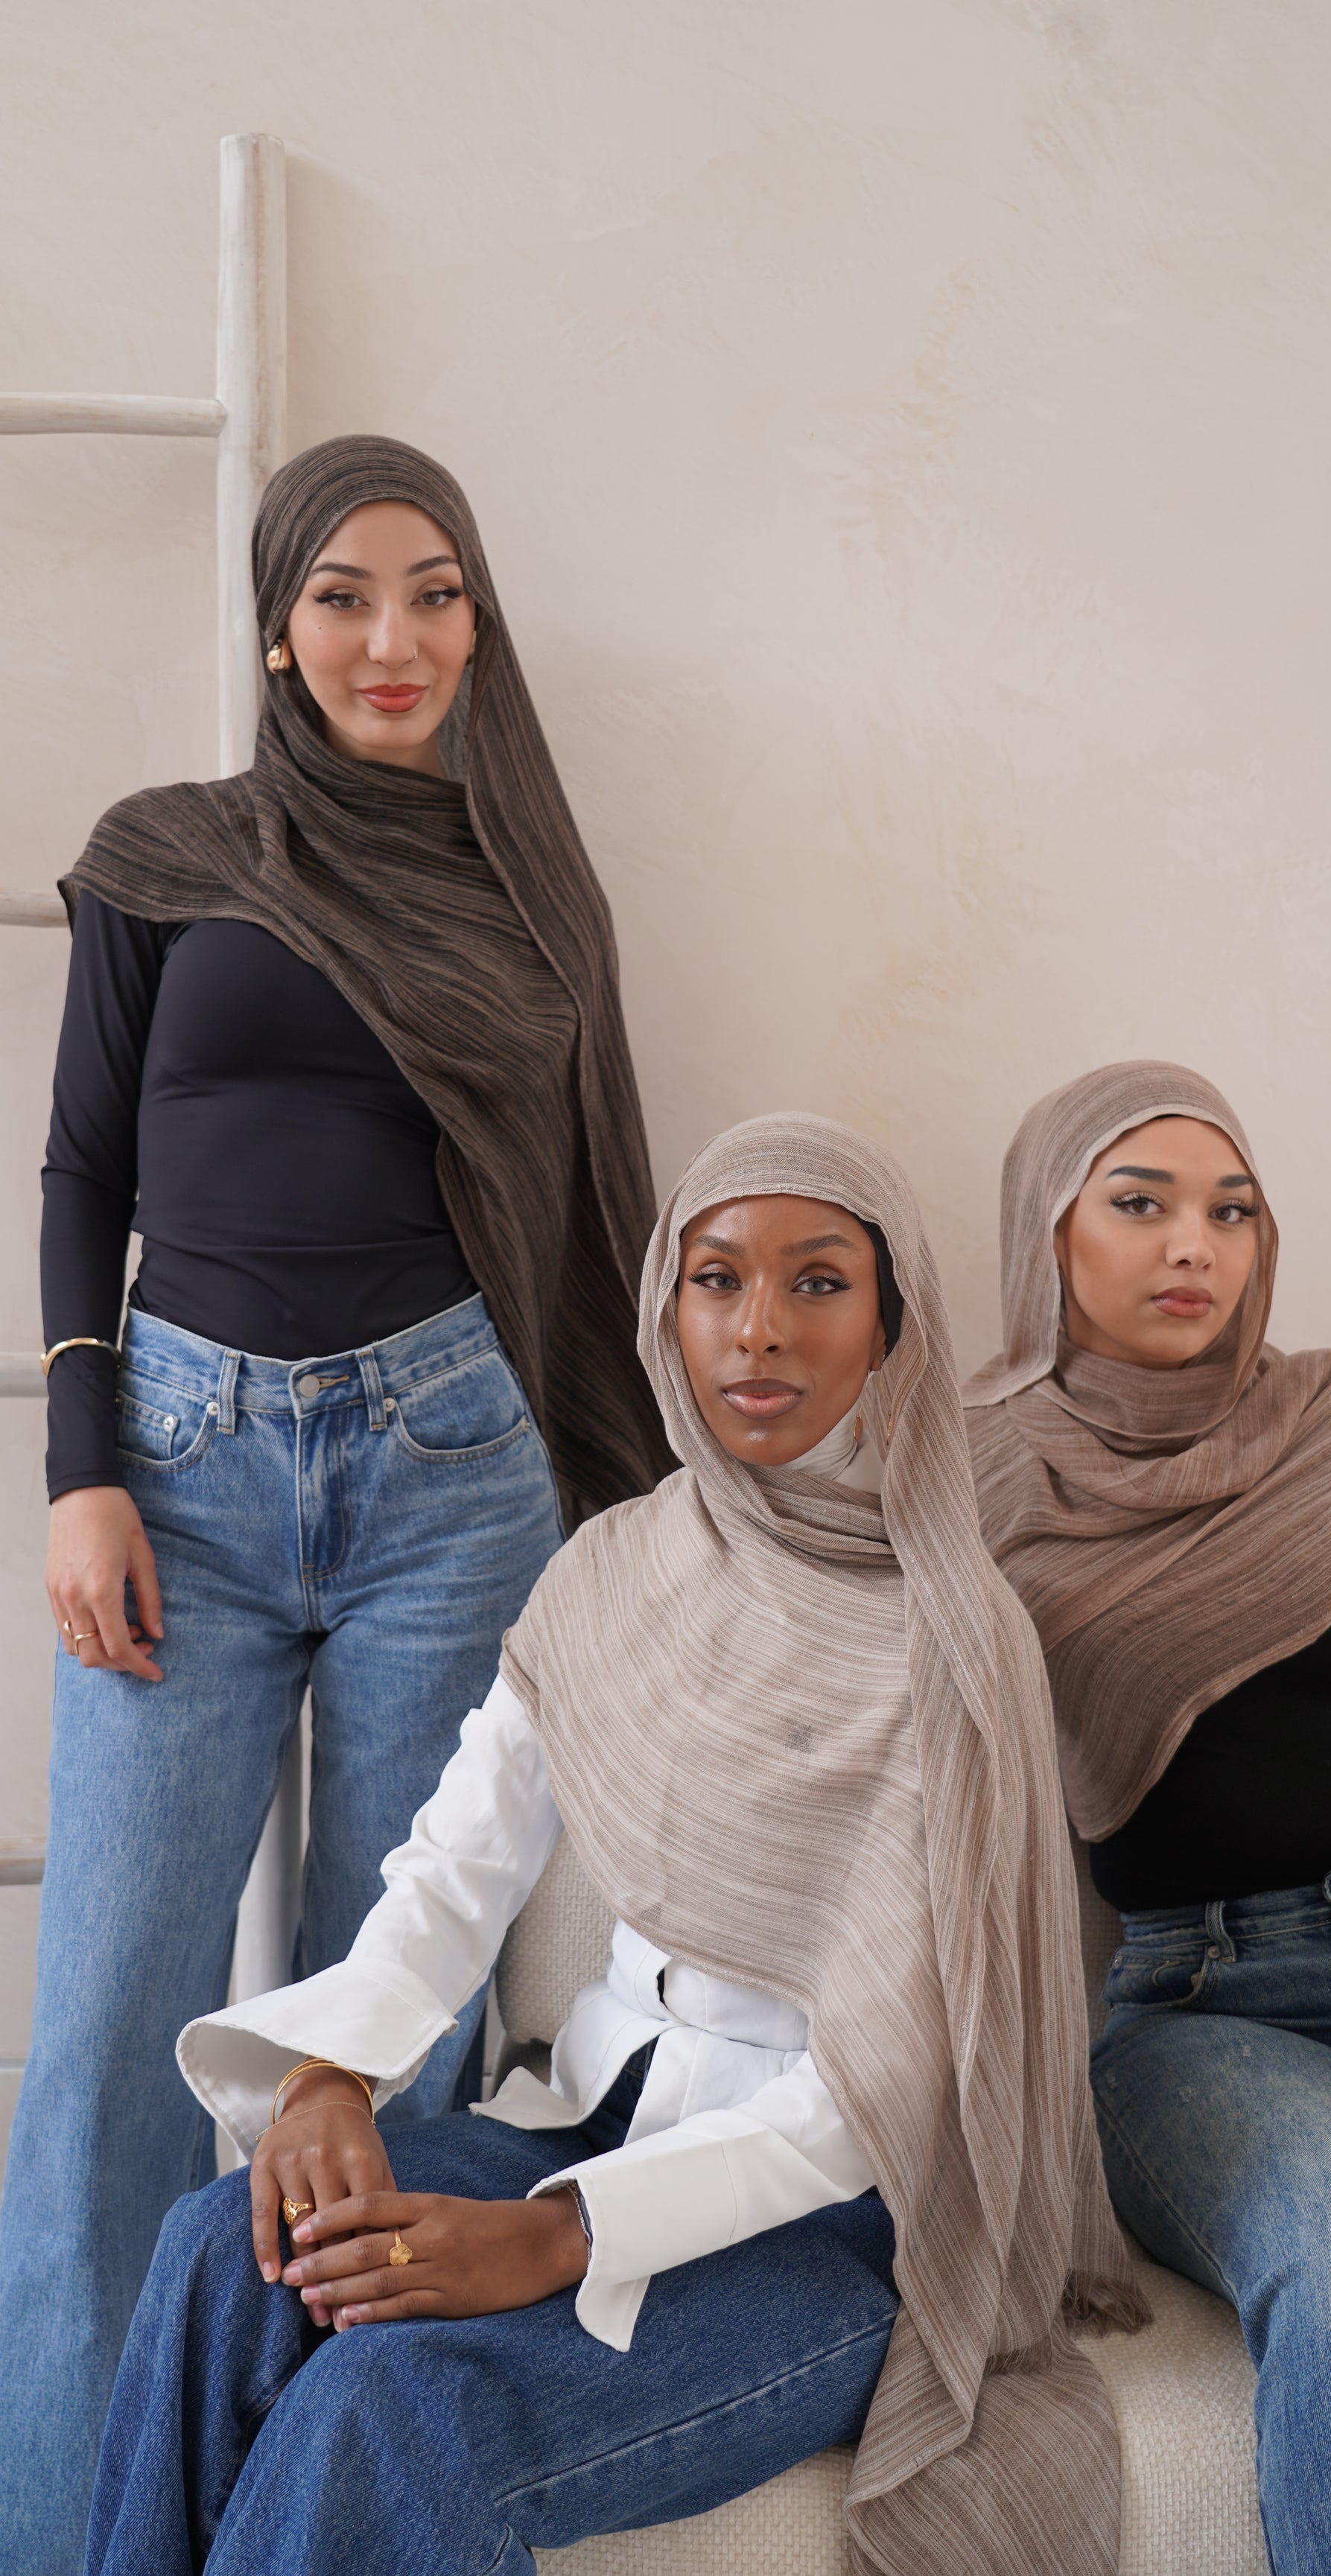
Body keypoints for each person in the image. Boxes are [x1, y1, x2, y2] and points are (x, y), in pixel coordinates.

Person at [86, 1112, 1142, 2576]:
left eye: (818, 1281)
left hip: (835, 2229)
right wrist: (328, 2076)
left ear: (894, 1325)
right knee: (220, 2248)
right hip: (581, 2124)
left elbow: (886, 2085)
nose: (758, 1327)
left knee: (393, 2401)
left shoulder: (958, 1643)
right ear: (664, 1313)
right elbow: (454, 1871)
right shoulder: (610, 1570)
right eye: (717, 1279)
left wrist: (562, 2234)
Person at [0, 433, 672, 2576]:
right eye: (346, 595)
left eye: (437, 592)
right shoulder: (169, 854)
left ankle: (298, 2518)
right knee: (109, 2046)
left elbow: (585, 1209)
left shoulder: (532, 890)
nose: (396, 638)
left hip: (453, 1475)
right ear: (280, 627)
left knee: (381, 2048)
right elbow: (81, 1171)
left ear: (479, 621)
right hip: (178, 1476)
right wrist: (80, 1468)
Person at [962, 1058, 1331, 2576]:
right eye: (1140, 1203)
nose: (1195, 1245)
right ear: (1046, 1233)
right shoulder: (967, 1487)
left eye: (1231, 1211)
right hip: (1207, 2009)